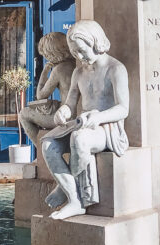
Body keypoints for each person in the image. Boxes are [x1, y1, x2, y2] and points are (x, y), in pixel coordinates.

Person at [40, 20, 129, 220]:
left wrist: (98, 117)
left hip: (107, 128)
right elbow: (71, 103)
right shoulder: (78, 72)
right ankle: (73, 198)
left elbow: (123, 109)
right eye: (74, 54)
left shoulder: (116, 69)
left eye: (81, 51)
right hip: (82, 123)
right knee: (48, 145)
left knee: (79, 139)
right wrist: (63, 111)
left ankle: (65, 190)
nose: (79, 57)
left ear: (96, 42)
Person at [18, 32, 76, 145]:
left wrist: (44, 72)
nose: (46, 57)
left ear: (52, 53)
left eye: (46, 54)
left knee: (24, 114)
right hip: (75, 114)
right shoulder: (76, 64)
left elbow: (41, 95)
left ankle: (40, 149)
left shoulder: (58, 69)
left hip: (64, 118)